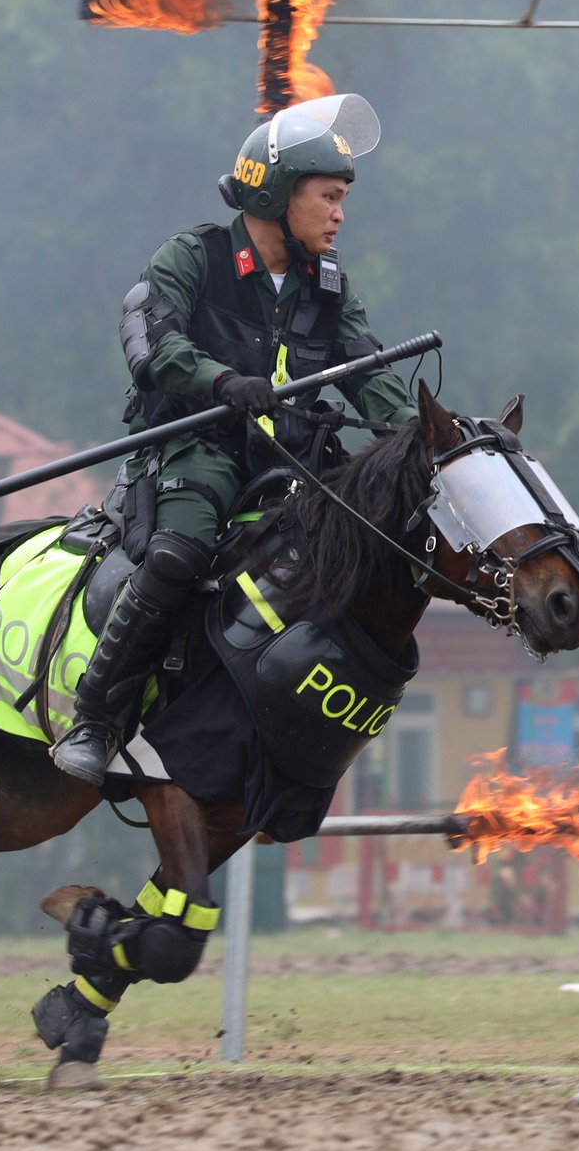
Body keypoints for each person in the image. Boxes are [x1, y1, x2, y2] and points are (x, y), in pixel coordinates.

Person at [50, 93, 416, 785]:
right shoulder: (192, 256)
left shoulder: (331, 286)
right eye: (328, 196)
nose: (340, 214)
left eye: (343, 199)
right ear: (277, 194)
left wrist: (427, 440)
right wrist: (221, 381)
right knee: (180, 552)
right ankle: (94, 717)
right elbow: (150, 345)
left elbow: (372, 375)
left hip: (294, 464)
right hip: (196, 451)